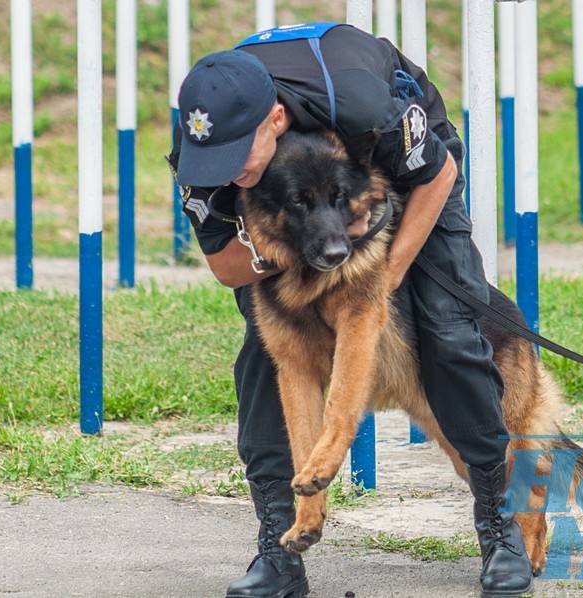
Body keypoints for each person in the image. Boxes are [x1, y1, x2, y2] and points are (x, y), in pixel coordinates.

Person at [167, 23, 534, 598]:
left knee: (448, 334)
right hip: (287, 216)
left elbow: (438, 175)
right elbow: (226, 266)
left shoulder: (360, 102)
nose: (228, 168)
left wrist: (382, 276)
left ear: (277, 119)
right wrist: (295, 250)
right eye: (218, 159)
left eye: (240, 155)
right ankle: (279, 549)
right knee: (265, 361)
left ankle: (500, 528)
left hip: (415, 176)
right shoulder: (204, 133)